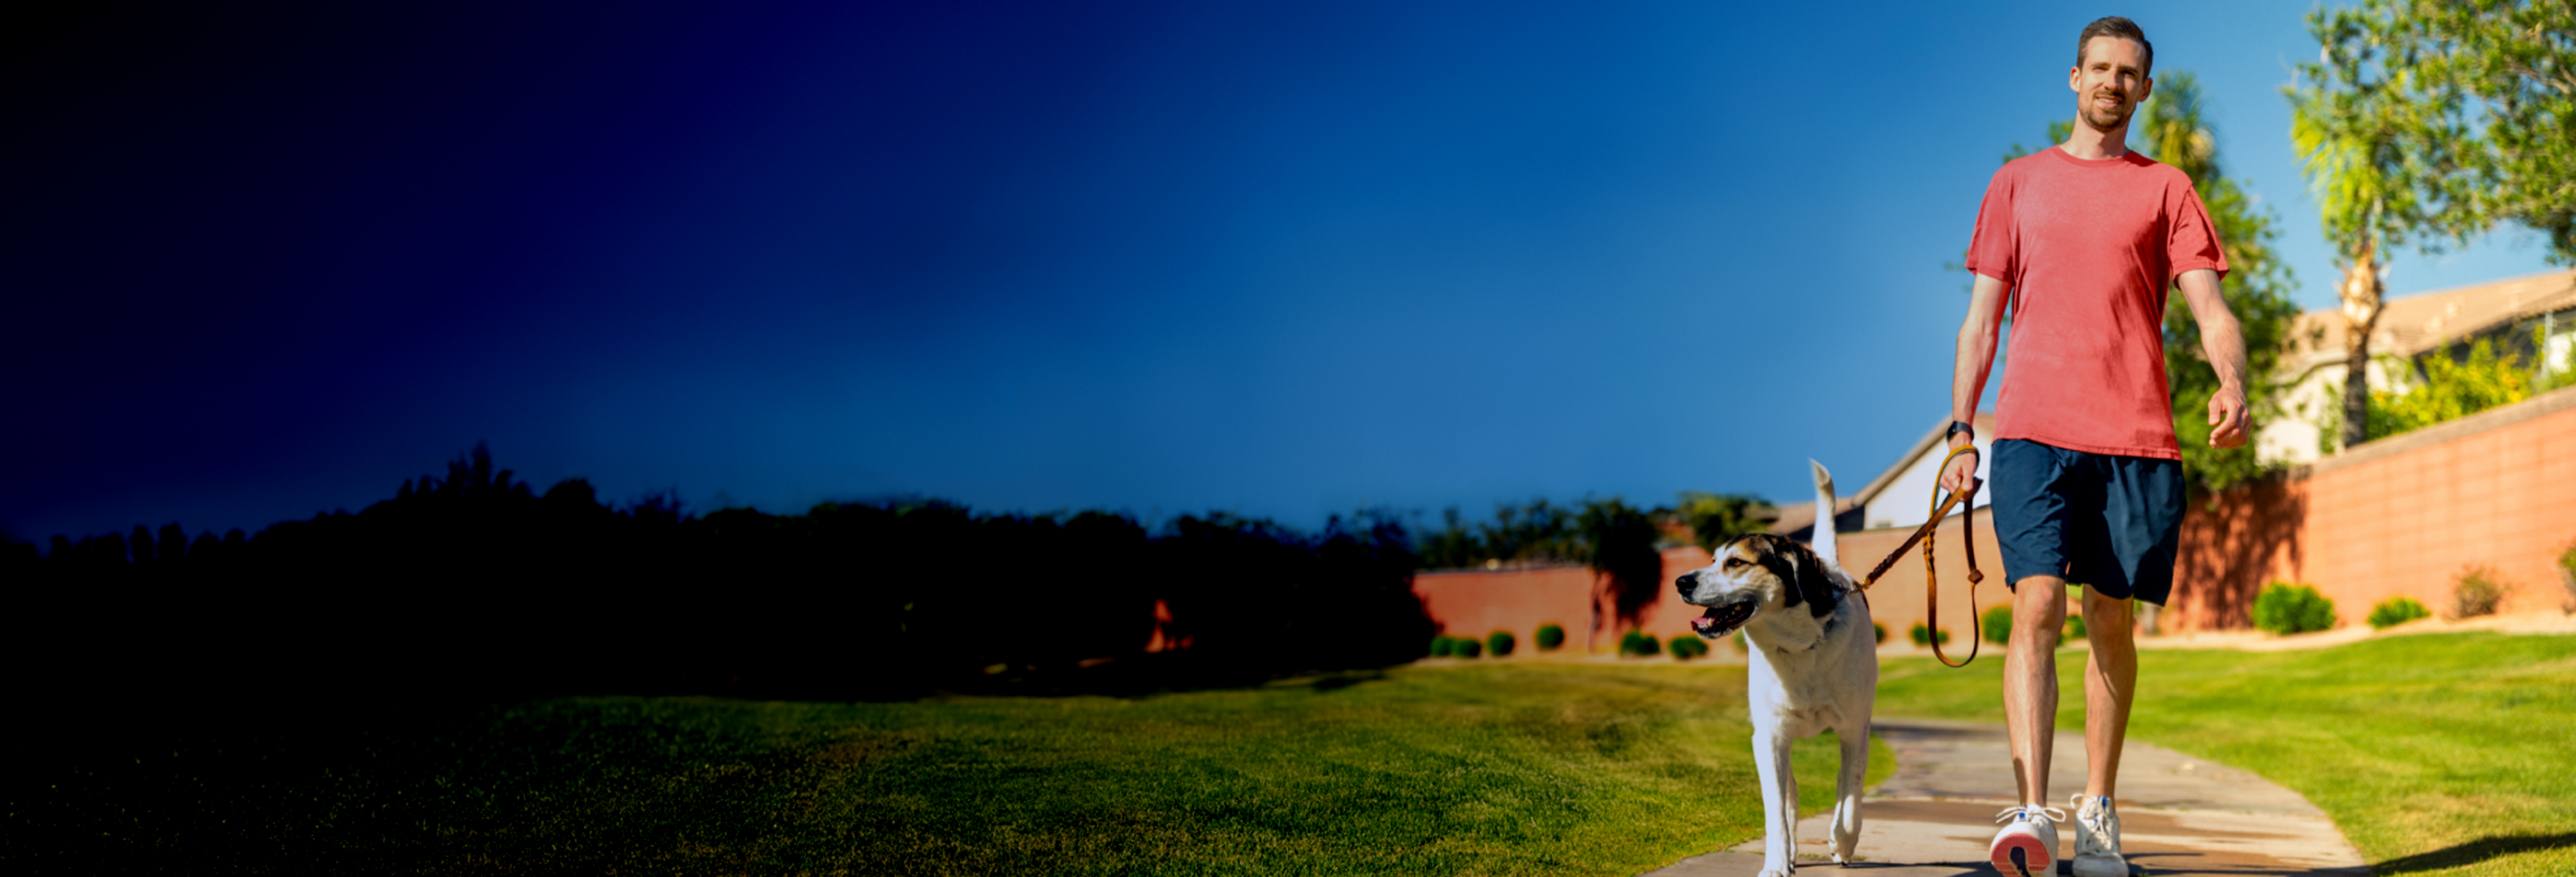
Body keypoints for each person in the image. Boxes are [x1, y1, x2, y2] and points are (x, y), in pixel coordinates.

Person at [1939, 15, 2250, 877]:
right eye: (2100, 68)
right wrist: (1963, 430)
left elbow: (2211, 311)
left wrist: (2233, 383)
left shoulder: (2168, 190)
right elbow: (1979, 324)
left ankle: (2099, 809)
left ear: (2144, 90)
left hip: (2136, 438)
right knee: (2035, 604)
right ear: (2072, 78)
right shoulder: (2017, 184)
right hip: (2032, 430)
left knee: (2109, 618)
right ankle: (2032, 809)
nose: (2114, 83)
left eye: (2130, 73)